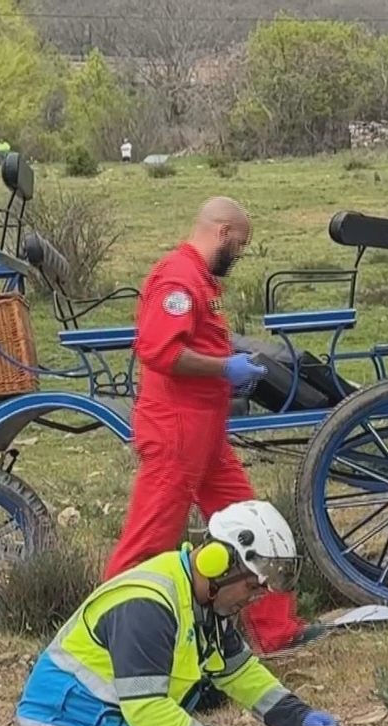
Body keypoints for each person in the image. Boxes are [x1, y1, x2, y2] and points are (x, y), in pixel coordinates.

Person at [0, 502, 337, 726]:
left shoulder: (207, 607)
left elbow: (240, 674)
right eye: (250, 587)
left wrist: (298, 716)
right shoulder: (147, 606)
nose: (253, 599)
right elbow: (147, 709)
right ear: (219, 564)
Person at [106, 197, 318, 656]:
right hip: (177, 430)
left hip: (205, 431)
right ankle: (109, 640)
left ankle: (275, 630)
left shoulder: (198, 281)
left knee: (253, 525)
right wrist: (226, 369)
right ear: (221, 233)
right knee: (150, 541)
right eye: (239, 246)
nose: (238, 256)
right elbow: (160, 352)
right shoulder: (178, 279)